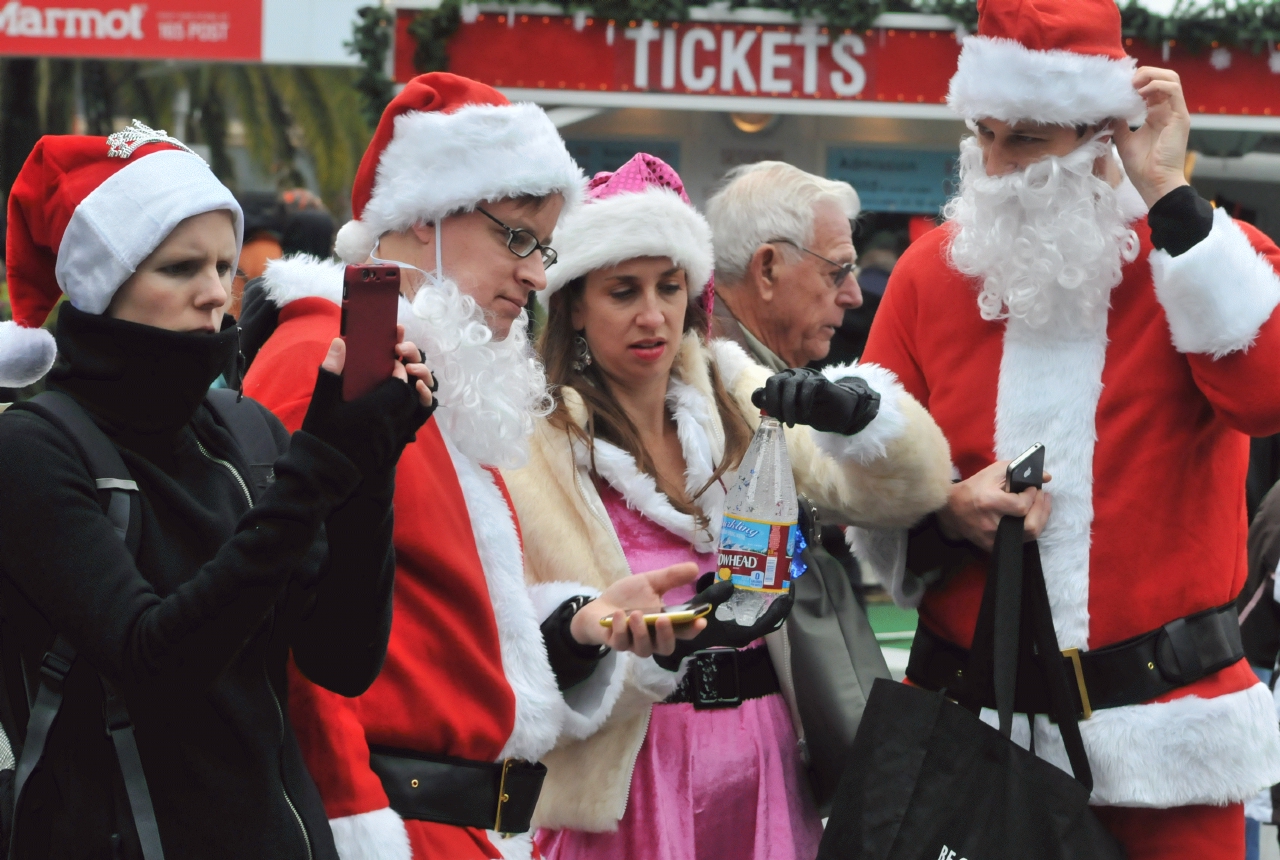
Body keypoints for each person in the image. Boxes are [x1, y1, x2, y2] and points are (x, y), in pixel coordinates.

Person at [850, 0, 1280, 857]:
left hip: (1170, 746)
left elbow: (1265, 397)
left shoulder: (1205, 258)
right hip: (972, 734)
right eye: (987, 135)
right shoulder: (933, 273)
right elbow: (865, 465)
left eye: (1029, 141)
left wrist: (1170, 195)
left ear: (1104, 136)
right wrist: (943, 503)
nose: (999, 168)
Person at [242, 73, 704, 860]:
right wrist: (356, 826)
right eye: (517, 237)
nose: (536, 275)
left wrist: (574, 628)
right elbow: (285, 637)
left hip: (456, 823)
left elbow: (445, 633)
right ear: (423, 218)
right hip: (387, 826)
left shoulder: (421, 365)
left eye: (544, 246)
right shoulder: (336, 359)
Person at [501, 153, 953, 860]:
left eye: (669, 287)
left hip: (767, 760)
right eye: (623, 291)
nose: (653, 315)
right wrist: (588, 628)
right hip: (627, 782)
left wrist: (862, 419)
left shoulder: (738, 398)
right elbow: (514, 648)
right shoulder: (533, 444)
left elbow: (903, 493)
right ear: (575, 308)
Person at [0, 125, 434, 858]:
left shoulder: (243, 428)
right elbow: (157, 664)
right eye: (178, 267)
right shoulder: (32, 446)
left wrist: (370, 464)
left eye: (224, 267)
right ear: (103, 281)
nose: (212, 295)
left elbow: (342, 659)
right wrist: (323, 464)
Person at [705, 161, 863, 371]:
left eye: (851, 271)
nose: (855, 298)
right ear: (767, 271)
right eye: (837, 272)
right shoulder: (699, 384)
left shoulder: (710, 370)